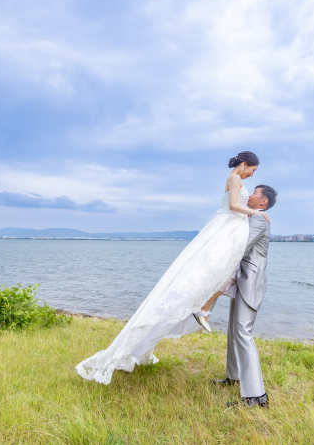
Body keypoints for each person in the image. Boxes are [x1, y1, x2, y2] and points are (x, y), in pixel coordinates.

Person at [76, 151, 270, 385]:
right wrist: (255, 212)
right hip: (226, 229)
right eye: (253, 170)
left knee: (222, 274)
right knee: (215, 273)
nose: (252, 175)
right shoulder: (235, 178)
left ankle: (202, 309)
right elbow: (232, 205)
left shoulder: (235, 178)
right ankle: (201, 310)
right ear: (245, 164)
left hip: (229, 229)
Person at [212, 184, 276, 408]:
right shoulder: (252, 216)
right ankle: (234, 376)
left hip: (250, 282)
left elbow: (241, 246)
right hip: (242, 279)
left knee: (242, 332)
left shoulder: (258, 219)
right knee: (233, 329)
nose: (250, 195)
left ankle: (256, 396)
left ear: (263, 201)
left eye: (255, 193)